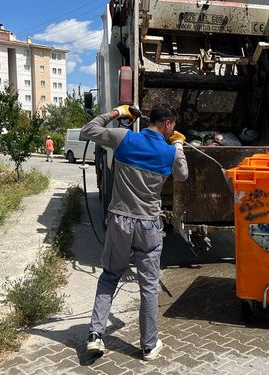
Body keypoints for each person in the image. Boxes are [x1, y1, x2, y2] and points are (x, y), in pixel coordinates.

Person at [81, 103, 188, 361]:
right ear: (168, 125)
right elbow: (183, 175)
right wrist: (178, 145)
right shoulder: (169, 152)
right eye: (173, 127)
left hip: (120, 221)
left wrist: (117, 113)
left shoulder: (123, 138)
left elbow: (88, 129)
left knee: (109, 276)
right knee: (149, 287)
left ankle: (96, 335)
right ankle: (149, 346)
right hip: (149, 225)